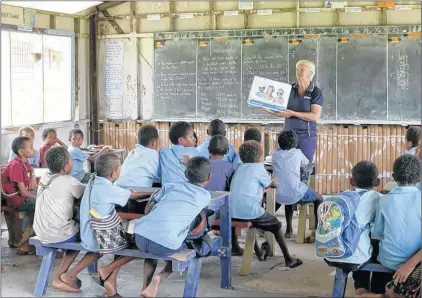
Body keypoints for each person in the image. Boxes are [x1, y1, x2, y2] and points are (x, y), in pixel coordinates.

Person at [133, 157, 212, 298]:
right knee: (187, 246)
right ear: (209, 177)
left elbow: (149, 207)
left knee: (154, 245)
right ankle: (159, 278)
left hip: (140, 237)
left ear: (185, 173)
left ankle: (145, 287)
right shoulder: (205, 196)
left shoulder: (170, 186)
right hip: (164, 245)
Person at [79, 153, 147, 297]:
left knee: (123, 235)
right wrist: (153, 193)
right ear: (113, 173)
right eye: (120, 168)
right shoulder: (108, 189)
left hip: (88, 229)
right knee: (139, 246)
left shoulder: (93, 180)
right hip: (98, 236)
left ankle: (111, 280)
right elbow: (133, 195)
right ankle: (107, 270)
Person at [33, 147, 98, 293]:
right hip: (57, 233)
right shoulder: (69, 181)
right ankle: (65, 276)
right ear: (66, 166)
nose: (72, 163)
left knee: (73, 228)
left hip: (40, 230)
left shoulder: (45, 177)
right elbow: (89, 194)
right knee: (95, 238)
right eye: (71, 160)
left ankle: (60, 277)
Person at [230, 140, 302, 268]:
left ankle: (259, 252)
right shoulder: (258, 168)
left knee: (254, 220)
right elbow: (273, 185)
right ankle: (288, 259)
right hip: (250, 212)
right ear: (259, 157)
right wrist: (274, 180)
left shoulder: (239, 167)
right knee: (276, 225)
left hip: (233, 212)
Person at [324, 161, 382, 296]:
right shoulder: (378, 198)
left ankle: (358, 288)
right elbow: (378, 230)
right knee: (374, 248)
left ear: (351, 181)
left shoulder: (339, 197)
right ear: (377, 182)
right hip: (355, 257)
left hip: (330, 253)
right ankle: (361, 289)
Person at [370, 154, 421, 294]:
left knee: (371, 248)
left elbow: (378, 233)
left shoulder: (384, 200)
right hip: (417, 266)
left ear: (393, 176)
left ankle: (369, 290)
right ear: (420, 177)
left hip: (388, 261)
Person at [261, 60, 324, 162]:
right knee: (282, 165)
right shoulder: (288, 89)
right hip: (287, 136)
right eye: (297, 69)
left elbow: (315, 116)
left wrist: (293, 113)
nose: (298, 72)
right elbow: (283, 112)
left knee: (303, 168)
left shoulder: (316, 92)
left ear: (310, 73)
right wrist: (267, 109)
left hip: (305, 138)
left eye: (302, 69)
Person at [272, 131, 323, 241]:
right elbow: (306, 166)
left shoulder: (275, 155)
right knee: (319, 198)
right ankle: (316, 231)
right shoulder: (297, 153)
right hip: (296, 194)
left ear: (279, 143)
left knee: (287, 190)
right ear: (295, 143)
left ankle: (289, 229)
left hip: (278, 196)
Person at [1, 136, 37, 254]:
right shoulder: (16, 165)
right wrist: (37, 197)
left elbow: (31, 169)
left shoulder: (23, 160)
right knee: (43, 206)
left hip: (22, 196)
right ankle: (29, 244)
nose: (33, 150)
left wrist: (32, 177)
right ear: (21, 151)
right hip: (16, 200)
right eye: (31, 148)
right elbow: (23, 192)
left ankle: (28, 238)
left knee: (41, 199)